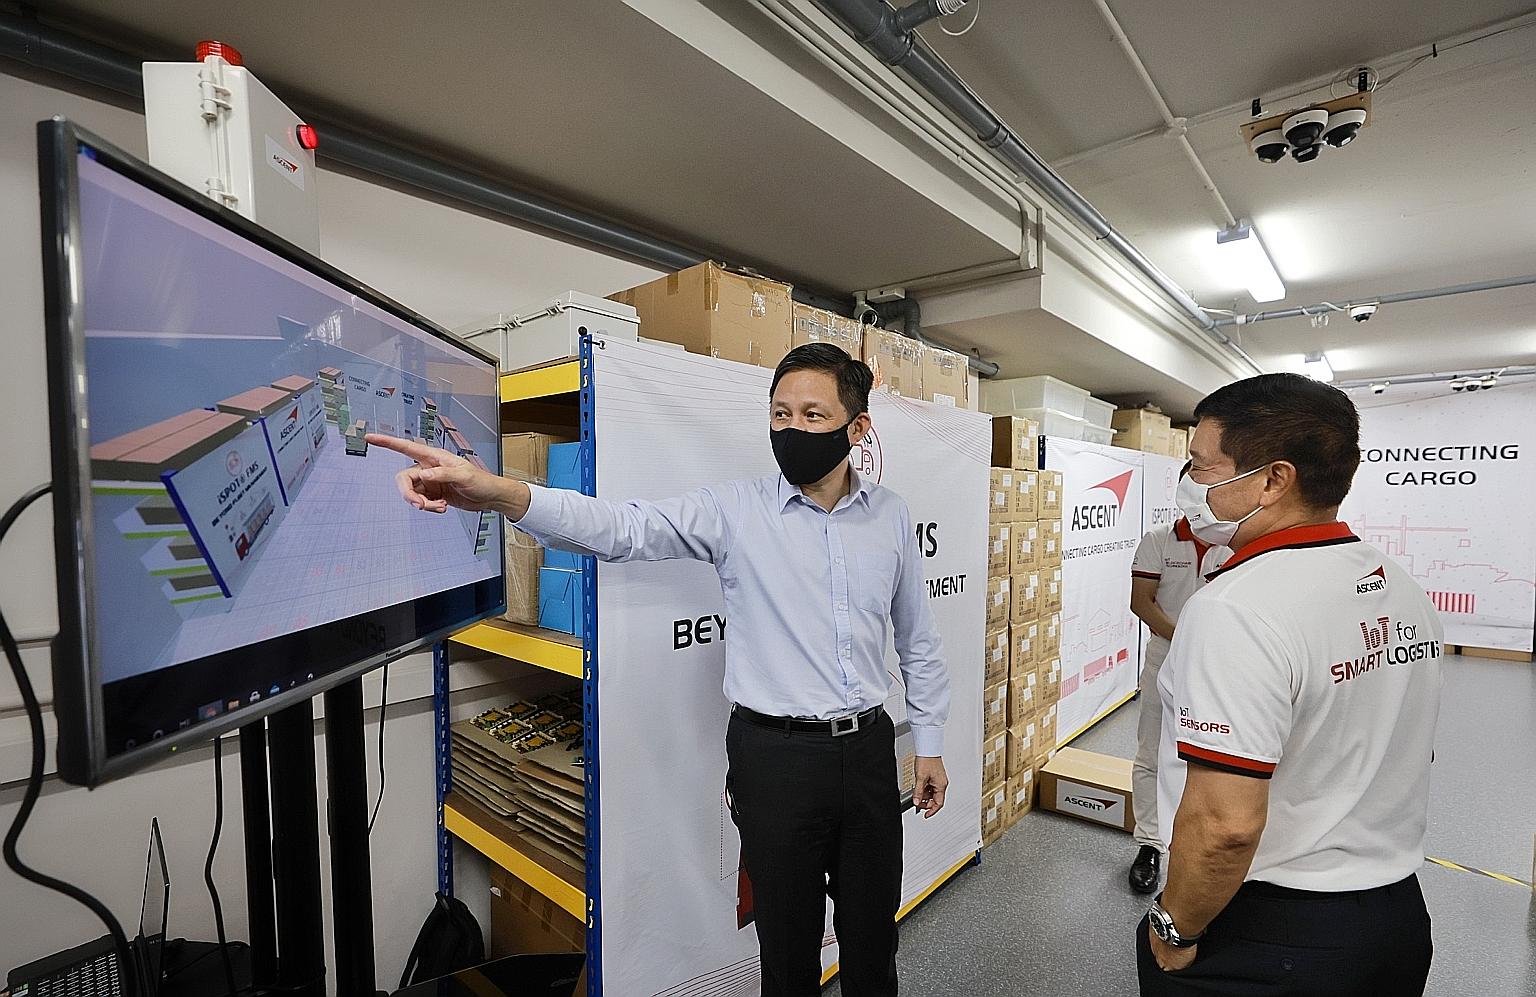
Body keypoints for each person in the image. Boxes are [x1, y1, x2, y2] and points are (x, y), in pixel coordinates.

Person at [368, 343, 949, 997]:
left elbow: (918, 640)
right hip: (775, 761)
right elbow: (621, 527)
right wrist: (498, 491)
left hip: (868, 752)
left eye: (812, 415)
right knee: (787, 958)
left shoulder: (891, 516)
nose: (791, 430)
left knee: (874, 945)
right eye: (780, 413)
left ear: (858, 428)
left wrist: (928, 742)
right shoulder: (736, 509)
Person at [1137, 372, 1443, 996]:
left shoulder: (1237, 608)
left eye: (1202, 466)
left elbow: (1225, 825)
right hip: (1393, 917)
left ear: (1275, 479)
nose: (1192, 485)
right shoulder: (1396, 584)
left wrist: (1175, 929)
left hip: (1271, 927)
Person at [1126, 463, 1231, 894]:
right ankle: (1150, 844)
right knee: (1151, 753)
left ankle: (1204, 845)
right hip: (1165, 659)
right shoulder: (1158, 542)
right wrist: (1185, 638)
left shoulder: (1240, 546)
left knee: (1213, 755)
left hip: (1222, 665)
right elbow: (1141, 602)